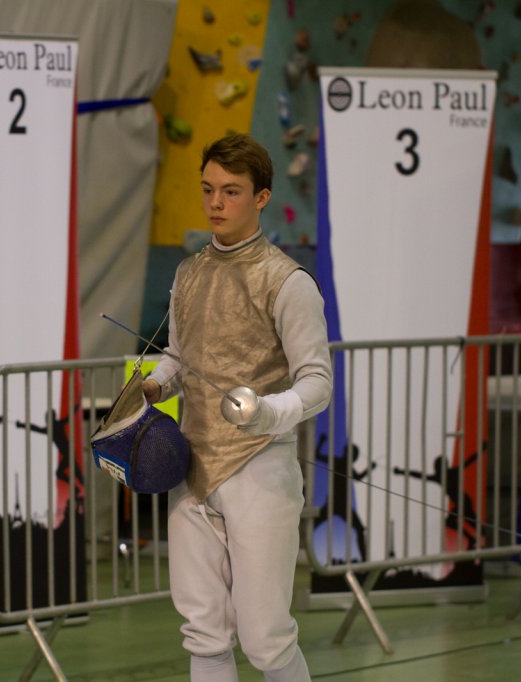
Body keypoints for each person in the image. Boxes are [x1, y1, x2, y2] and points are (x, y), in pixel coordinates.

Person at [142, 134, 332, 681]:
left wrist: (267, 413)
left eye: (231, 191)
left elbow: (317, 382)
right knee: (203, 631)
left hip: (260, 469)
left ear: (262, 197)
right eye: (208, 189)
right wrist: (154, 386)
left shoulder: (287, 281)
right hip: (192, 469)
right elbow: (179, 356)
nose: (216, 203)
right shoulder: (189, 272)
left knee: (266, 638)